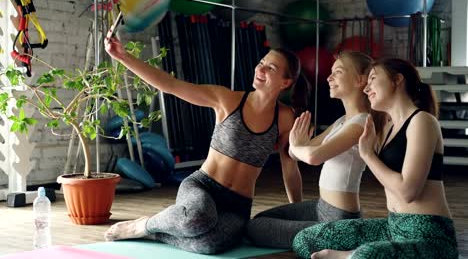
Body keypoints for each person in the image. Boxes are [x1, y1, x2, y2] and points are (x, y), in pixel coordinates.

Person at [102, 30, 303, 254]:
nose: (260, 69)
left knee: (211, 245)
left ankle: (157, 233)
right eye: (262, 62)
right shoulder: (227, 100)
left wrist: (297, 211)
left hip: (237, 205)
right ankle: (143, 225)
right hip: (203, 186)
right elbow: (170, 85)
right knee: (196, 218)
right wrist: (123, 56)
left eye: (271, 68)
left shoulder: (284, 118)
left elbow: (290, 167)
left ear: (285, 82)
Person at [293, 58, 459, 259]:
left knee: (369, 254)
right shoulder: (387, 127)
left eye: (372, 78)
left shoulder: (422, 121)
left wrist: (368, 155)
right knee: (305, 240)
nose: (366, 88)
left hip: (430, 235)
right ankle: (351, 256)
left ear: (397, 80)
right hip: (392, 226)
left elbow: (408, 191)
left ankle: (348, 256)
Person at [246, 52, 383, 249]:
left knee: (256, 229)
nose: (329, 77)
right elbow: (295, 154)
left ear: (360, 80)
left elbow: (312, 156)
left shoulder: (362, 123)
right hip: (321, 207)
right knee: (261, 218)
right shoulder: (342, 122)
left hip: (339, 217)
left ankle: (343, 237)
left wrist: (298, 145)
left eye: (338, 72)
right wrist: (298, 145)